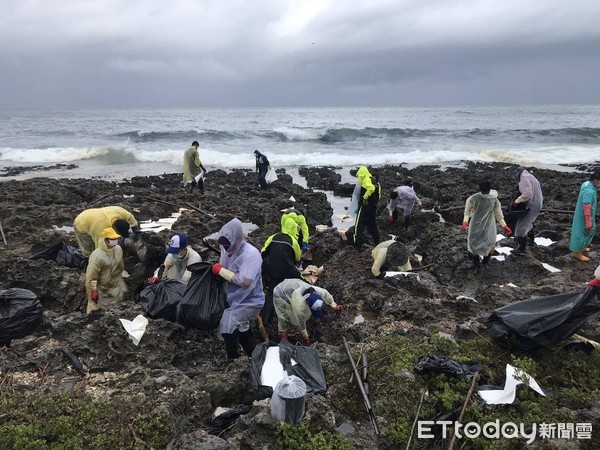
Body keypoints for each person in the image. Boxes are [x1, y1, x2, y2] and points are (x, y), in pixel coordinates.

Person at [211, 218, 265, 361]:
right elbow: (224, 263)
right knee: (241, 327)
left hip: (251, 300)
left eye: (227, 244)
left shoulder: (250, 254)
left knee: (228, 322)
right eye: (222, 245)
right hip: (233, 297)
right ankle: (253, 356)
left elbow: (246, 281)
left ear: (238, 239)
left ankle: (233, 359)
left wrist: (222, 272)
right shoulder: (225, 248)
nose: (225, 248)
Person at [273, 278, 342, 345]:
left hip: (294, 284)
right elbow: (301, 323)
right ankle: (284, 340)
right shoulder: (299, 306)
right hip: (281, 293)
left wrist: (335, 306)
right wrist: (306, 337)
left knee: (291, 315)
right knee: (284, 317)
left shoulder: (318, 291)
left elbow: (327, 295)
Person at [462, 181, 512, 273]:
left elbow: (498, 215)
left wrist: (505, 226)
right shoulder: (473, 199)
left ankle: (485, 262)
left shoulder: (494, 200)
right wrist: (465, 222)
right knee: (474, 246)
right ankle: (477, 265)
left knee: (491, 244)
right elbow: (467, 212)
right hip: (476, 226)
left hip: (489, 226)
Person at [261, 218, 303, 325]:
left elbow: (263, 251)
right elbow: (298, 258)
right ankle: (284, 319)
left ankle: (265, 319)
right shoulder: (293, 241)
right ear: (294, 229)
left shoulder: (273, 237)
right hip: (287, 273)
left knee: (270, 294)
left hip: (272, 272)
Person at [85, 227, 127, 314]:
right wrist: (93, 290)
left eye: (115, 239)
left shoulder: (118, 249)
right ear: (105, 240)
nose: (114, 241)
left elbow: (121, 266)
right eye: (112, 239)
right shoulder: (97, 256)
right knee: (100, 310)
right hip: (103, 288)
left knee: (117, 307)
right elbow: (92, 276)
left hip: (116, 285)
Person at [74, 206, 139, 258]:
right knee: (88, 248)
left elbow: (133, 222)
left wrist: (137, 234)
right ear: (115, 229)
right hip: (82, 222)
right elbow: (99, 248)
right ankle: (87, 262)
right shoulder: (101, 228)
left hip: (94, 215)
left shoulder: (122, 213)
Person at [512, 168, 543, 255]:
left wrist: (517, 200)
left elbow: (528, 193)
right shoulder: (532, 177)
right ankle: (531, 242)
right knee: (528, 222)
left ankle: (522, 248)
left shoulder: (524, 180)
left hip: (532, 205)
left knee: (520, 228)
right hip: (538, 203)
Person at [569, 172, 599, 262]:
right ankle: (577, 253)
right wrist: (588, 220)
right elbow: (586, 205)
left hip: (589, 214)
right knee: (583, 232)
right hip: (585, 215)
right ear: (596, 180)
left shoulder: (587, 185)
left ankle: (583, 246)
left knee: (591, 230)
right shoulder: (588, 191)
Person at [353, 166, 381, 250]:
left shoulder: (366, 179)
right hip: (373, 208)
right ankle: (377, 244)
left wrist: (365, 198)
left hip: (364, 208)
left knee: (359, 227)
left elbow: (371, 188)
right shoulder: (377, 183)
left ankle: (357, 247)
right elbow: (379, 196)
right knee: (373, 226)